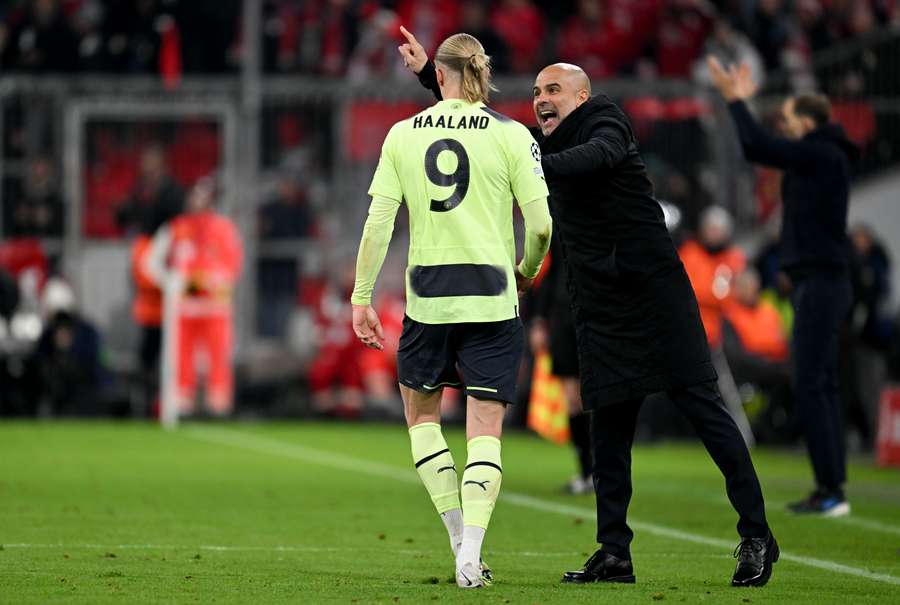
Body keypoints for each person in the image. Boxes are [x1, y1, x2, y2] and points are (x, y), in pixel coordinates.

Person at [400, 28, 776, 588]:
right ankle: (614, 552)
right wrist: (430, 73)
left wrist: (523, 169)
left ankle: (756, 536)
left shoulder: (606, 121)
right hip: (599, 303)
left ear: (580, 96)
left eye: (553, 90)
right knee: (608, 432)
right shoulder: (538, 145)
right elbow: (483, 134)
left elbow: (590, 158)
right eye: (534, 93)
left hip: (654, 297)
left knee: (707, 414)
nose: (541, 100)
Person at [352, 31, 552, 588]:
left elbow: (378, 224)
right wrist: (528, 269)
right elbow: (539, 225)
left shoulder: (401, 135)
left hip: (429, 301)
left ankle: (457, 536)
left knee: (421, 419)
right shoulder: (512, 135)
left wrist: (362, 295)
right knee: (484, 429)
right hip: (493, 297)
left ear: (437, 76)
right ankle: (473, 556)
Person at [709, 57, 858, 516]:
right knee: (821, 383)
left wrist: (736, 101)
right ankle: (830, 485)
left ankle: (830, 489)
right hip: (822, 282)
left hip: (822, 282)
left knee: (812, 383)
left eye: (790, 118)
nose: (784, 124)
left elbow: (756, 146)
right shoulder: (822, 159)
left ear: (809, 123)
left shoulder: (820, 152)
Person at [146, 177, 243, 416]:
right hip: (186, 308)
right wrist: (170, 283)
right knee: (182, 356)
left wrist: (208, 283)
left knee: (218, 357)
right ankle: (182, 404)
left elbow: (232, 265)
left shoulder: (223, 228)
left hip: (215, 307)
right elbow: (150, 261)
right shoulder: (176, 228)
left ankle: (219, 406)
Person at [529, 233, 592, 494]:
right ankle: (587, 470)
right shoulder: (560, 219)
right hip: (563, 317)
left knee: (596, 397)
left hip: (595, 314)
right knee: (572, 398)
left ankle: (603, 471)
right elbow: (553, 270)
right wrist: (539, 319)